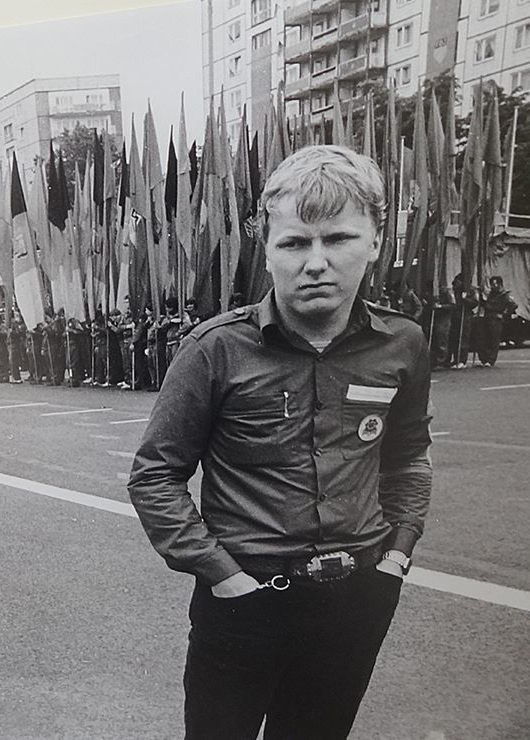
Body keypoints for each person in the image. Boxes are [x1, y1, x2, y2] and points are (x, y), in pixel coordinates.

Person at [128, 145, 432, 739]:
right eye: (294, 243)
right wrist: (220, 573)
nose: (315, 261)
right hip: (245, 600)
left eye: (338, 238)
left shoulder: (403, 345)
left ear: (374, 242)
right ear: (267, 252)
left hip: (357, 598)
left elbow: (407, 458)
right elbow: (155, 475)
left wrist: (396, 556)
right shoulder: (216, 349)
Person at [476, 275, 518, 367]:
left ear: (500, 284)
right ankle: (484, 359)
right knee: (484, 339)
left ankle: (490, 360)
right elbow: (486, 305)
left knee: (494, 340)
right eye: (492, 284)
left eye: (495, 284)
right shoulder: (491, 294)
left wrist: (504, 314)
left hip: (496, 318)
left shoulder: (505, 295)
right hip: (487, 317)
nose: (493, 286)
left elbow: (513, 305)